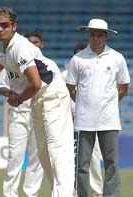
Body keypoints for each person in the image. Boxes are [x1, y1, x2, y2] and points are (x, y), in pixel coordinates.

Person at [0, 7, 74, 196]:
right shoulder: (3, 47)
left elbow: (36, 83)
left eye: (4, 25)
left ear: (14, 26)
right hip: (38, 101)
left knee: (57, 151)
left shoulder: (21, 48)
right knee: (43, 154)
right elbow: (2, 61)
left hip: (53, 96)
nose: (0, 29)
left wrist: (18, 99)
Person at [66, 18, 130, 197]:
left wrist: (108, 103)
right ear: (88, 34)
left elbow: (124, 86)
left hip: (109, 119)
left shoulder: (117, 58)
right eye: (92, 34)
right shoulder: (77, 59)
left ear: (106, 36)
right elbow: (70, 87)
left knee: (111, 163)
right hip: (84, 120)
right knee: (82, 165)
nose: (95, 38)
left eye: (99, 35)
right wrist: (84, 104)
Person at [0, 31, 44, 197]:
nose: (32, 45)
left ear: (41, 45)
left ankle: (32, 194)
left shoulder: (45, 64)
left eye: (36, 42)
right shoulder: (12, 60)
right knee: (15, 158)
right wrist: (11, 94)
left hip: (38, 115)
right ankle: (10, 195)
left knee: (36, 160)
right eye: (29, 42)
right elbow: (0, 85)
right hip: (19, 114)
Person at [63, 43, 104, 197]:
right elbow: (60, 99)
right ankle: (73, 191)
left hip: (92, 122)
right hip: (70, 124)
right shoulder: (64, 75)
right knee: (72, 158)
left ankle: (97, 192)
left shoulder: (97, 74)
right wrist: (69, 114)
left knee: (93, 157)